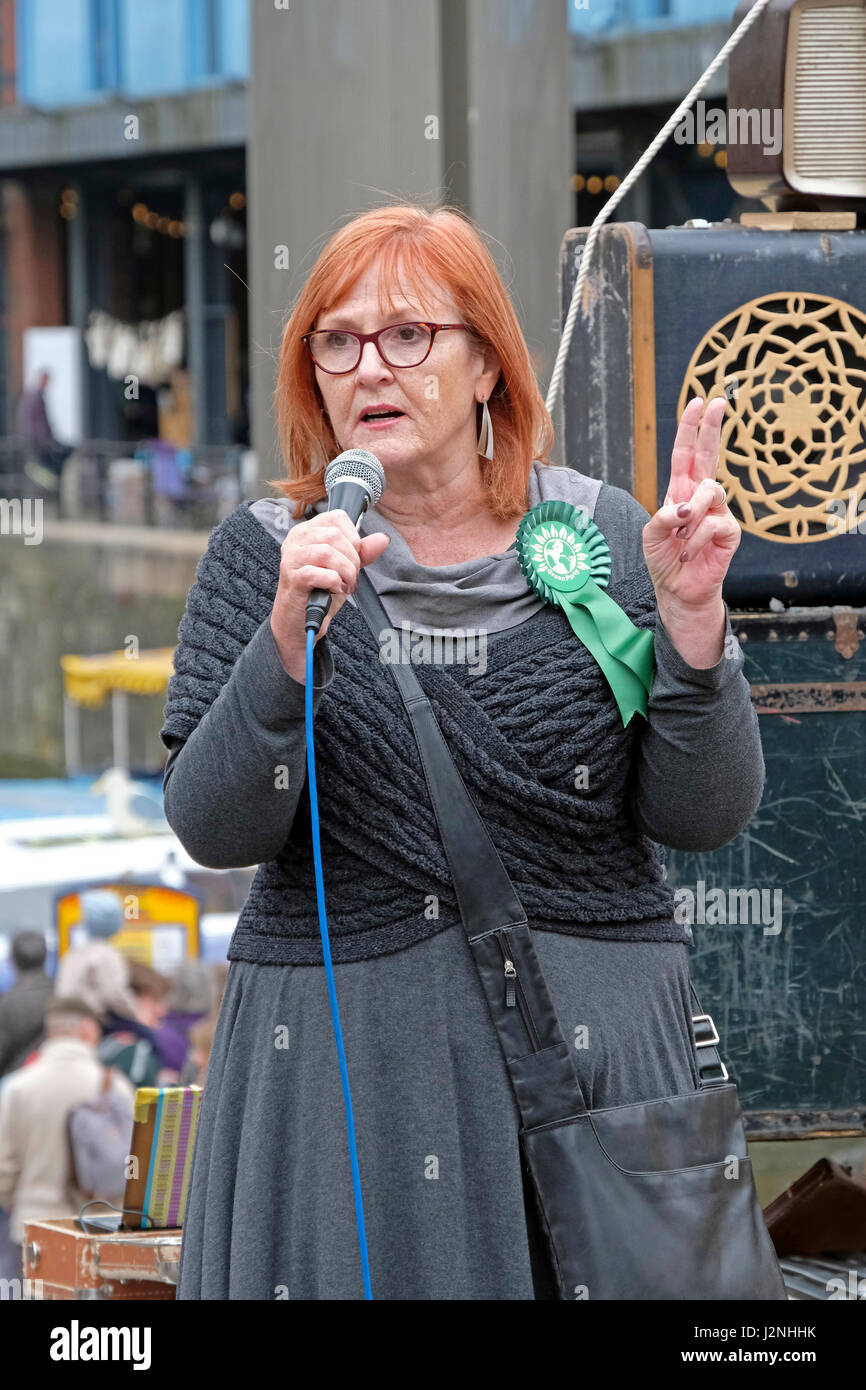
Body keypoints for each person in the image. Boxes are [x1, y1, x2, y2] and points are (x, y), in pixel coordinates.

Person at [159, 202, 763, 1300]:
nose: (365, 368)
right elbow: (213, 826)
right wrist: (285, 644)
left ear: (485, 361)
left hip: (598, 1091)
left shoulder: (602, 534)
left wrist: (689, 627)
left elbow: (702, 812)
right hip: (353, 1105)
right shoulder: (263, 555)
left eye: (405, 335)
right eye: (334, 342)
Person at [0, 997, 134, 1270]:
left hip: (34, 1229)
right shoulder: (114, 1087)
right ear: (87, 1029)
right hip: (98, 1228)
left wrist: (22, 1203)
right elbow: (134, 1161)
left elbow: (4, 1168)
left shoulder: (18, 1088)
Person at [54, 889, 139, 1023]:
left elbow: (63, 992)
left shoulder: (73, 954)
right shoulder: (108, 955)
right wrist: (134, 1012)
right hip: (99, 1021)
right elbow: (114, 994)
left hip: (71, 1020)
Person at [0, 932, 53, 1078]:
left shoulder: (7, 1003)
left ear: (12, 960)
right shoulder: (61, 994)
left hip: (16, 1081)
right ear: (45, 958)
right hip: (54, 1078)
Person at [15, 368, 72, 492]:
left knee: (42, 471)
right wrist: (47, 443)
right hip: (36, 443)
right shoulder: (35, 397)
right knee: (43, 474)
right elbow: (38, 424)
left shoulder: (32, 396)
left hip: (35, 442)